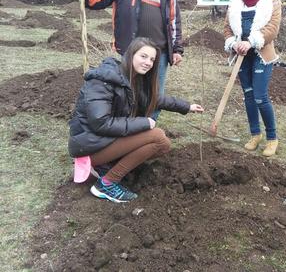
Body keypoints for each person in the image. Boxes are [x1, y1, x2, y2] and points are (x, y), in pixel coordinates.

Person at [68, 37, 203, 203]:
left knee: (163, 146)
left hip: (103, 141)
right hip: (88, 147)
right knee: (158, 137)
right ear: (131, 54)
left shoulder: (132, 79)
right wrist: (144, 123)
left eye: (152, 59)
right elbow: (101, 123)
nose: (148, 62)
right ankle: (106, 184)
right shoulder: (103, 81)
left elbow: (155, 100)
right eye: (143, 56)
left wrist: (186, 106)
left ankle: (106, 168)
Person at [73, 0, 182, 120]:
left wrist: (177, 48)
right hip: (132, 50)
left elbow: (173, 20)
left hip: (160, 53)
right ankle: (127, 128)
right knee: (127, 91)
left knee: (155, 94)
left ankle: (149, 126)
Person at [223, 0, 282, 157]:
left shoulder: (273, 2)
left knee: (259, 96)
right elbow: (227, 28)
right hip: (241, 54)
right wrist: (233, 43)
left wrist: (251, 42)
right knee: (248, 95)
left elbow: (272, 29)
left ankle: (272, 138)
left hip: (261, 54)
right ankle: (255, 134)